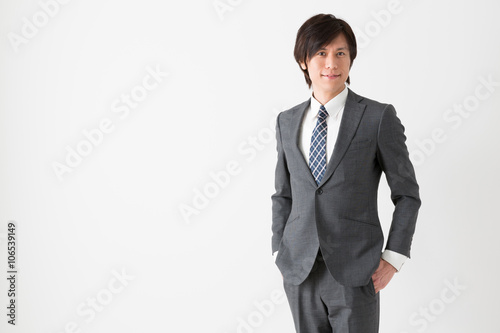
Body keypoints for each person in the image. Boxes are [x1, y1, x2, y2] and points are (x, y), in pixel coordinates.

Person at [271, 14, 421, 333]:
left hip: (356, 270)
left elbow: (407, 195)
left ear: (351, 59)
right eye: (321, 53)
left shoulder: (377, 117)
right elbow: (283, 194)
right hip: (299, 270)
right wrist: (278, 251)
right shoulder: (286, 121)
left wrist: (393, 258)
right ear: (303, 60)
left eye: (341, 53)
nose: (331, 63)